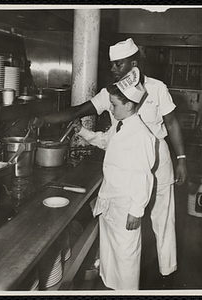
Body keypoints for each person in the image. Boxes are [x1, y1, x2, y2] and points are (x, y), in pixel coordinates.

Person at [29, 38, 187, 280]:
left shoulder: (157, 88)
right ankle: (123, 277)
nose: (113, 69)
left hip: (159, 166)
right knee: (128, 232)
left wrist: (182, 158)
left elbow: (172, 123)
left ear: (133, 63)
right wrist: (45, 120)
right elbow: (79, 111)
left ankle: (167, 276)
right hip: (127, 169)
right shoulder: (111, 93)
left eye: (118, 64)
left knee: (163, 222)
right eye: (111, 65)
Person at [72, 69, 155, 290]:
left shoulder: (142, 135)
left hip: (126, 208)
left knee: (126, 261)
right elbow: (105, 141)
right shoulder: (121, 125)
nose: (111, 108)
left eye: (114, 105)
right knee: (110, 258)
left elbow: (144, 176)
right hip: (111, 203)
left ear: (129, 105)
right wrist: (82, 131)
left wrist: (137, 211)